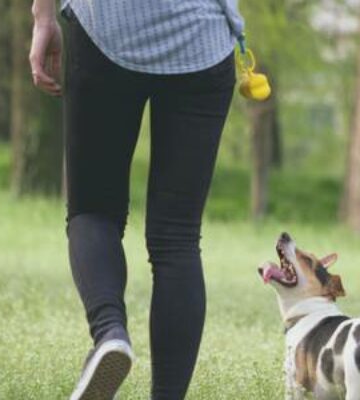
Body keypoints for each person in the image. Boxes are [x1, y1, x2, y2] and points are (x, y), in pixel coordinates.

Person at [29, 0, 244, 398]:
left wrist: (43, 15)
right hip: (202, 42)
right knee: (177, 239)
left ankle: (110, 333)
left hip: (108, 31)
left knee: (93, 211)